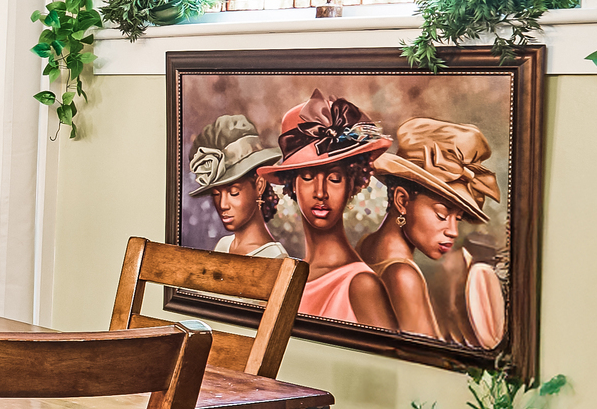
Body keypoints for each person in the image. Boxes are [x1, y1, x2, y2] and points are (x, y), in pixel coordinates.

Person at [363, 119, 499, 344]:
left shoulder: (367, 245)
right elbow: (427, 363)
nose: (453, 231)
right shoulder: (404, 276)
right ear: (402, 200)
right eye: (442, 214)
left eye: (458, 218)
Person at [263, 93, 392, 327]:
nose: (320, 192)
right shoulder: (289, 278)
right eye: (308, 177)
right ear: (292, 184)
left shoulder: (361, 285)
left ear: (352, 184)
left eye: (334, 178)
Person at [186, 113, 287, 257]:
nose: (222, 204)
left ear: (259, 185)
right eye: (216, 194)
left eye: (233, 192)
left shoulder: (274, 257)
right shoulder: (223, 246)